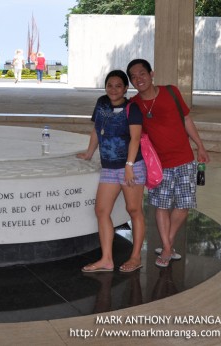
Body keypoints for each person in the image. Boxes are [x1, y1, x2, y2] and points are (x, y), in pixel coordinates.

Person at [126, 59, 210, 268]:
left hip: (184, 159)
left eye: (142, 73)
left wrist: (200, 145)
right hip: (158, 165)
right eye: (134, 77)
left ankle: (167, 243)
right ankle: (166, 247)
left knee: (184, 205)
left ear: (151, 74)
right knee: (162, 206)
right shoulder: (134, 105)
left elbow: (187, 120)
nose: (139, 79)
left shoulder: (171, 92)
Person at [77, 70, 146, 273]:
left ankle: (135, 257)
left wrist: (129, 166)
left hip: (131, 167)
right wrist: (90, 153)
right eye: (109, 85)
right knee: (101, 210)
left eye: (118, 86)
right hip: (109, 167)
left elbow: (135, 138)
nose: (113, 89)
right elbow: (97, 129)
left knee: (134, 210)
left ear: (125, 88)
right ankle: (107, 259)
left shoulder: (132, 108)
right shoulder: (101, 103)